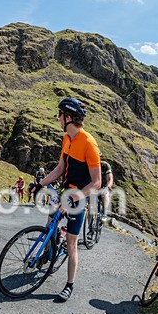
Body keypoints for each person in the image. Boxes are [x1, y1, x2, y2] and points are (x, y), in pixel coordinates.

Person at [34, 98, 102, 302]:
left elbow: (97, 182)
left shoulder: (88, 143)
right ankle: (48, 252)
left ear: (69, 117)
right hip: (66, 191)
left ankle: (69, 285)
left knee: (72, 243)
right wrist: (40, 183)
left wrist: (75, 198)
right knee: (50, 220)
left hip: (80, 197)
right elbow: (60, 168)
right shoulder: (67, 138)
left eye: (60, 115)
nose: (58, 118)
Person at [98, 152, 113, 218]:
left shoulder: (105, 165)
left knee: (105, 193)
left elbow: (110, 178)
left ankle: (104, 212)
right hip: (91, 187)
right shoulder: (87, 164)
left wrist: (108, 187)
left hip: (102, 187)